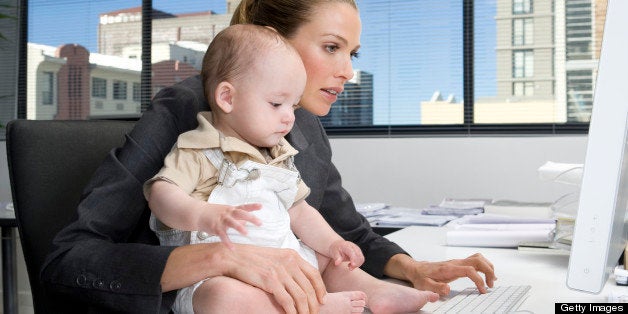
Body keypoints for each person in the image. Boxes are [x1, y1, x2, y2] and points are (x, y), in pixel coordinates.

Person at [41, 0, 496, 313]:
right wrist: (218, 258)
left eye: (353, 53)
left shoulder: (303, 127)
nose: (348, 71)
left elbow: (348, 229)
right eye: (332, 47)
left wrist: (413, 268)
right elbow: (69, 260)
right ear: (271, 39)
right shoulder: (185, 111)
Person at [145, 24, 440, 313]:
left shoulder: (278, 156)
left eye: (293, 107)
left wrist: (334, 242)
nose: (288, 118)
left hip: (285, 265)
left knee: (327, 260)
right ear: (227, 98)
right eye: (276, 104)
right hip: (218, 276)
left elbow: (300, 211)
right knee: (224, 297)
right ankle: (315, 307)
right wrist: (202, 215)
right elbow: (161, 192)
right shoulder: (199, 149)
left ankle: (375, 293)